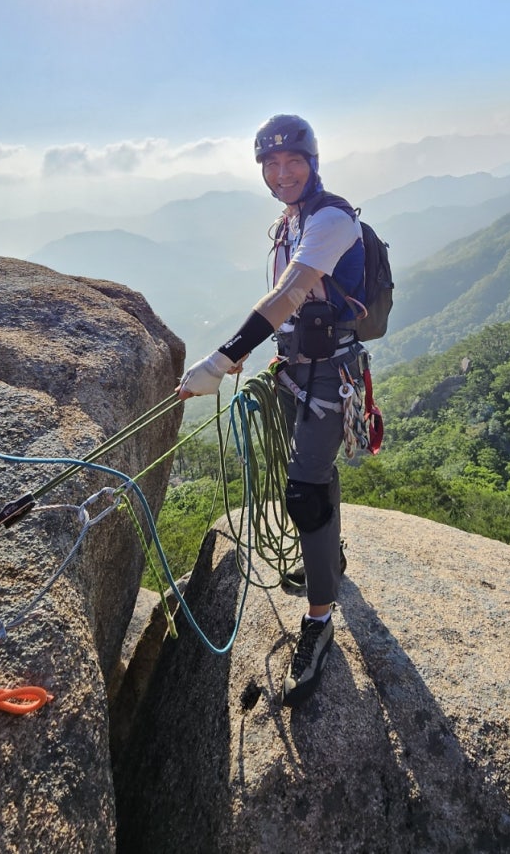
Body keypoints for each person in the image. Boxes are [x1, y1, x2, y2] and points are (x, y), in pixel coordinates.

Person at [178, 113, 366, 708]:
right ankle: (327, 558)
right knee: (309, 472)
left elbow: (290, 291)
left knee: (304, 490)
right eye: (272, 165)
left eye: (293, 162)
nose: (283, 174)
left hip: (329, 376)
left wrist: (223, 358)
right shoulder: (291, 220)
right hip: (295, 370)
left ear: (314, 162)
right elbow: (286, 305)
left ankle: (319, 621)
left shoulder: (332, 220)